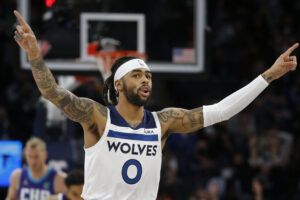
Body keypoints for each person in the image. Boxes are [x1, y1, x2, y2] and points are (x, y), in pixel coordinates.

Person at [12, 10, 298, 200]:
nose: (146, 79)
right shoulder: (97, 116)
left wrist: (269, 75)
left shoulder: (164, 121)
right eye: (137, 75)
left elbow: (222, 110)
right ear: (120, 84)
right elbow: (51, 90)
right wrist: (35, 55)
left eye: (148, 75)